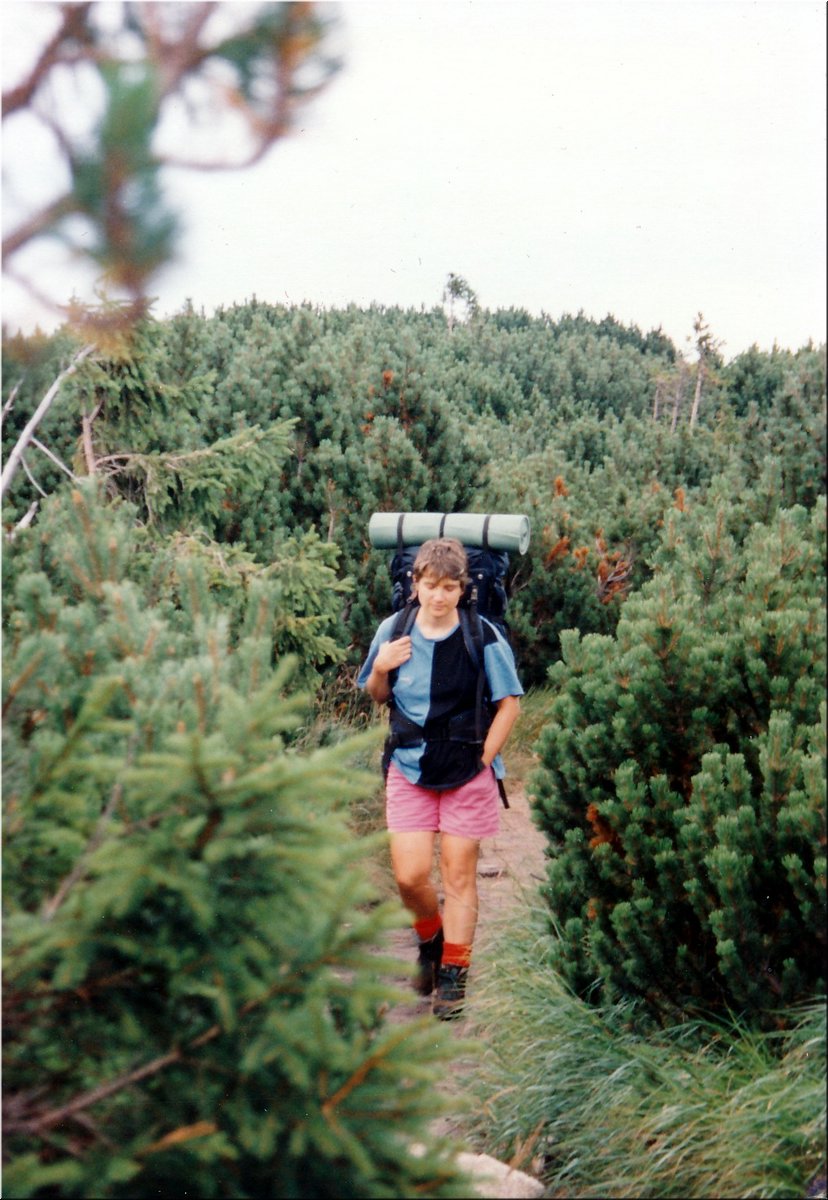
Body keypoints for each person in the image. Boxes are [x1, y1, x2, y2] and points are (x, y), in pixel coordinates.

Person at [357, 537, 523, 1018]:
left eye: (450, 587)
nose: (439, 596)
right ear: (415, 584)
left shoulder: (481, 634)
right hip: (410, 766)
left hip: (467, 771)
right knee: (409, 877)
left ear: (462, 588)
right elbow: (377, 694)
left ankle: (453, 975)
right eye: (431, 586)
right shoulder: (394, 629)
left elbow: (509, 704)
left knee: (458, 876)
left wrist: (483, 760)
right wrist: (380, 668)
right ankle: (431, 942)